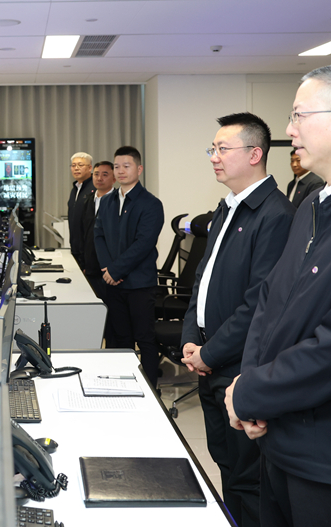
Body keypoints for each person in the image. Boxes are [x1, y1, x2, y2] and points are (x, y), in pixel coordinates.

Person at [226, 65, 331, 527]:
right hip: (276, 437)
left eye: (299, 115)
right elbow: (270, 303)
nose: (288, 131)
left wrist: (250, 392)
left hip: (319, 459)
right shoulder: (311, 206)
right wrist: (248, 387)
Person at [179, 112, 294, 527]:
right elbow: (202, 280)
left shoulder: (275, 214)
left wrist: (208, 353)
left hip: (238, 368)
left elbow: (260, 304)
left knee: (248, 480)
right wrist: (190, 339)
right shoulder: (228, 207)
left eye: (222, 149)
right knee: (226, 466)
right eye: (212, 149)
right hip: (210, 360)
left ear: (255, 154)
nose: (214, 157)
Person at [93, 146, 164, 386]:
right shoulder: (107, 201)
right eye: (117, 167)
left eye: (126, 166)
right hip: (113, 283)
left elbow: (143, 244)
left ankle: (151, 390)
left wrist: (116, 270)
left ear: (139, 169)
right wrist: (107, 268)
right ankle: (121, 386)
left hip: (139, 284)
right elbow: (98, 235)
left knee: (145, 339)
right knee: (119, 340)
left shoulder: (151, 204)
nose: (120, 171)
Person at [79, 161, 115, 299]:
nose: (99, 178)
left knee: (110, 306)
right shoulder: (87, 201)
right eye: (96, 174)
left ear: (114, 178)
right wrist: (83, 263)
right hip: (90, 266)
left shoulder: (118, 202)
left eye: (105, 175)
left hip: (110, 269)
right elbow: (83, 233)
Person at [68, 152, 95, 268]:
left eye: (80, 165)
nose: (76, 168)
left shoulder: (95, 188)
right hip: (76, 249)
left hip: (90, 255)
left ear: (90, 168)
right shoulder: (74, 189)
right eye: (73, 165)